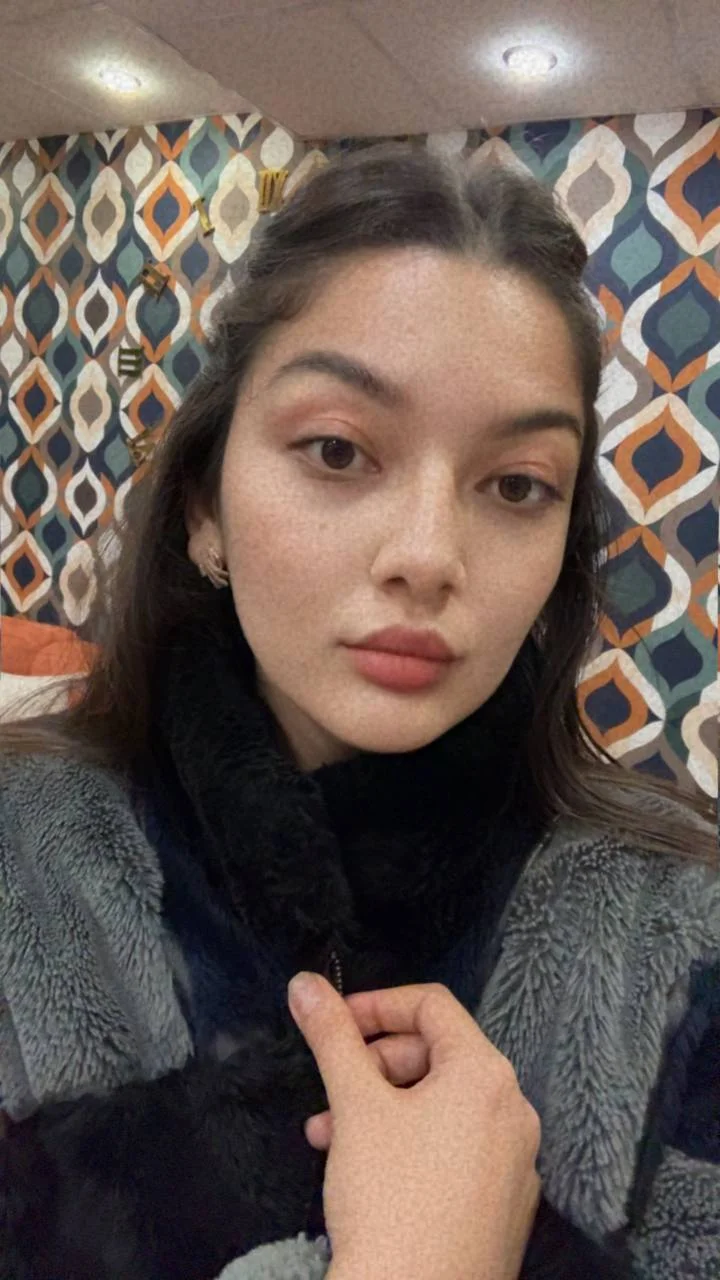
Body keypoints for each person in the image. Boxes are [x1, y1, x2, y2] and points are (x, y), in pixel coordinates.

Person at [0, 142, 717, 1280]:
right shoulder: (21, 853)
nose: (428, 555)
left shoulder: (680, 934)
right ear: (204, 507)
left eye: (517, 484)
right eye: (338, 450)